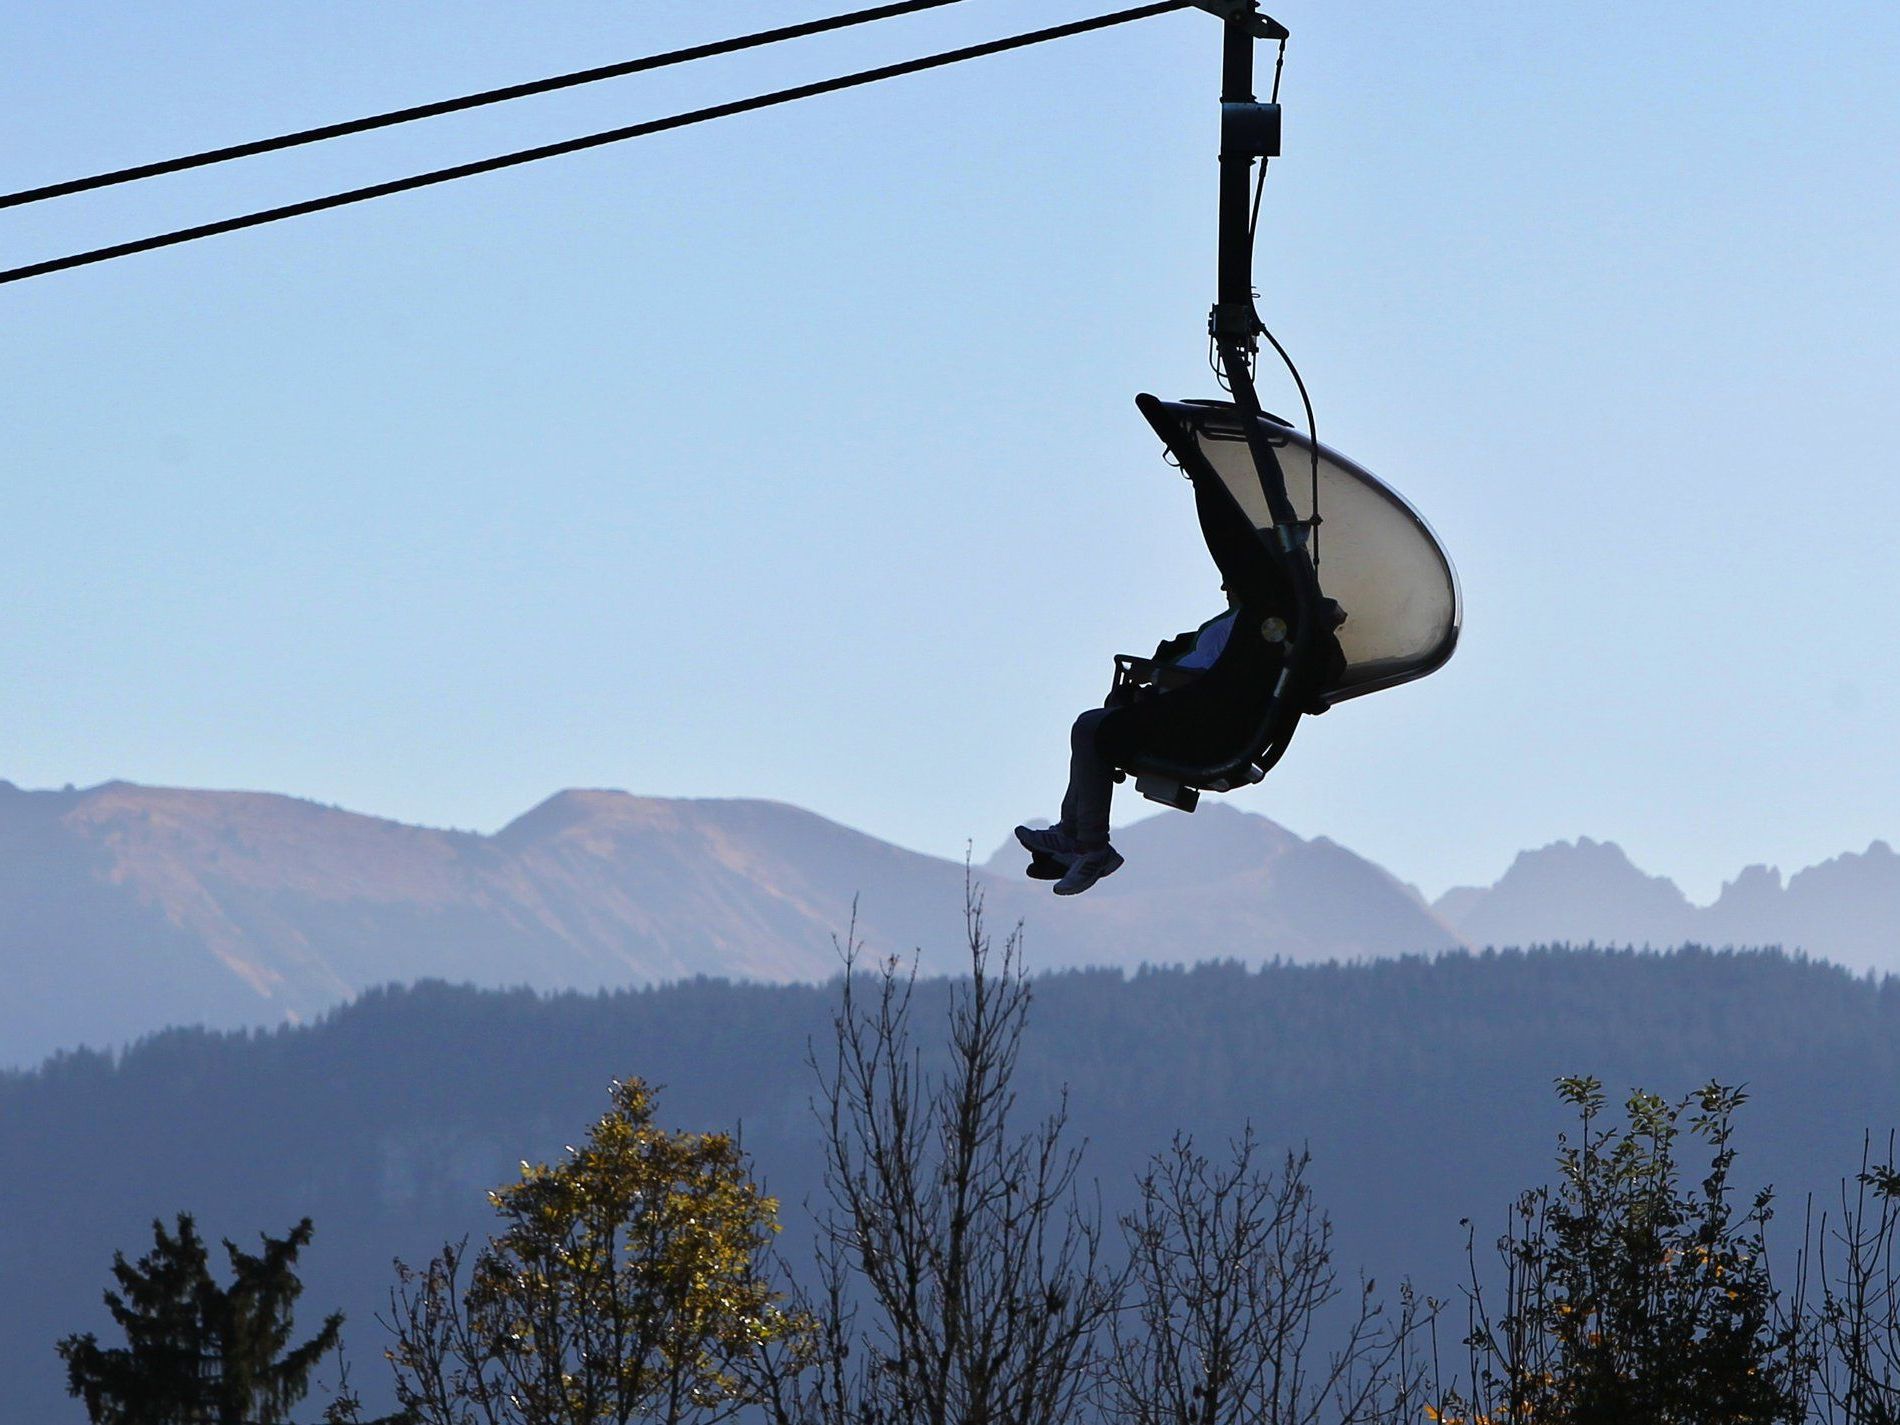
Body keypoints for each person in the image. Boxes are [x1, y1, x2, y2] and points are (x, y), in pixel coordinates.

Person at [1015, 591, 1244, 896]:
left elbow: (1211, 681)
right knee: (1092, 727)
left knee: (1092, 729)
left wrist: (1155, 674)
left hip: (1190, 724)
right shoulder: (1243, 620)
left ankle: (1092, 847)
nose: (1224, 587)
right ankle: (1072, 833)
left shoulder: (1247, 624)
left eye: (1231, 580)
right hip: (1182, 711)